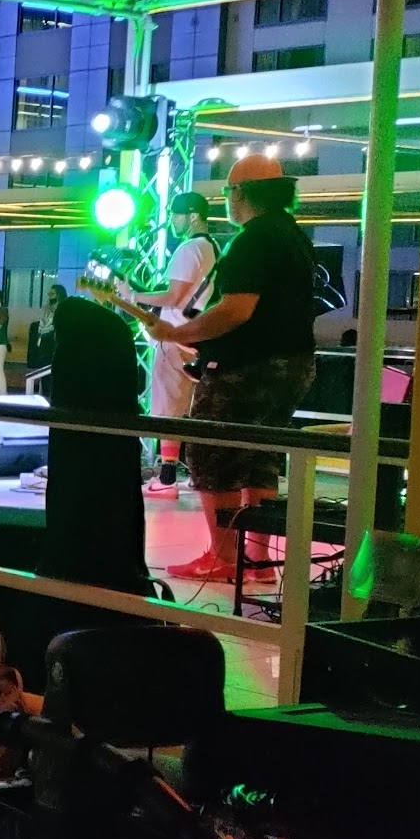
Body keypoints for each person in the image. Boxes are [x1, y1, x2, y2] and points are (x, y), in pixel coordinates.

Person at [108, 155, 318, 581]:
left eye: (227, 191)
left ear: (240, 193)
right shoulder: (294, 236)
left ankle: (223, 558)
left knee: (212, 457)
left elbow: (236, 310)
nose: (226, 198)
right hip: (294, 364)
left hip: (247, 367)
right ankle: (257, 562)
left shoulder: (253, 240)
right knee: (260, 458)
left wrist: (178, 333)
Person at [117, 191, 219, 489]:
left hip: (174, 336)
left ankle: (167, 476)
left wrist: (133, 296)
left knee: (167, 409)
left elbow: (173, 297)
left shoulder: (189, 249)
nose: (172, 221)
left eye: (176, 214)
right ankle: (197, 474)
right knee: (193, 409)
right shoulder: (213, 248)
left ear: (193, 216)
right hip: (198, 337)